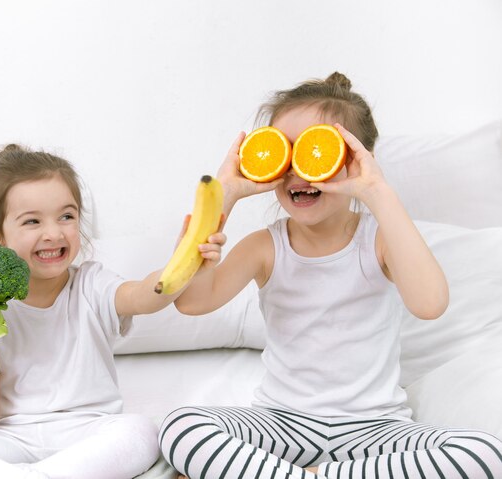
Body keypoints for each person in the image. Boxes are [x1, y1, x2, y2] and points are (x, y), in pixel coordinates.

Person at [158, 72, 502, 478]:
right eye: (284, 154)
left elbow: (430, 304)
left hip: (376, 431)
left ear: (359, 160)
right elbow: (192, 302)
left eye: (319, 150)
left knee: (485, 453)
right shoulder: (265, 246)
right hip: (282, 425)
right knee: (181, 427)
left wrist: (378, 192)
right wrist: (226, 193)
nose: (299, 171)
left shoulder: (380, 240)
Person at [0, 144, 224, 479]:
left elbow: (145, 296)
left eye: (67, 216)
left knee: (141, 431)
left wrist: (184, 258)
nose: (53, 233)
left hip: (89, 437)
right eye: (32, 221)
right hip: (9, 442)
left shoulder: (92, 285)